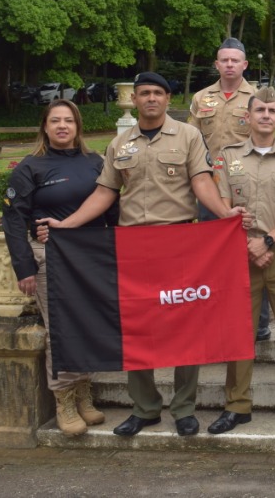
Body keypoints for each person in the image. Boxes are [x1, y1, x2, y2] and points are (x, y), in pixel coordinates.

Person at [38, 72, 240, 438]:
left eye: (157, 93)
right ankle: (144, 408)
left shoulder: (189, 135)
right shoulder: (120, 143)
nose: (150, 99)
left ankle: (183, 409)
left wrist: (225, 215)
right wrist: (66, 226)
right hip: (133, 247)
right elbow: (105, 193)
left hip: (179, 240)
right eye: (144, 93)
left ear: (166, 98)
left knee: (185, 327)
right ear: (135, 100)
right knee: (138, 326)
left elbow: (200, 181)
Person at [2, 99, 115, 438]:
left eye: (69, 120)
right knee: (62, 328)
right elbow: (13, 219)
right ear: (45, 127)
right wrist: (23, 267)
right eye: (55, 121)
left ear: (78, 126)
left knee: (89, 323)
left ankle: (83, 393)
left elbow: (111, 208)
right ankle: (63, 399)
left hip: (91, 257)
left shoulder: (96, 162)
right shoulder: (30, 168)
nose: (62, 126)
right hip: (50, 256)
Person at [207, 87, 275, 436]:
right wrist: (246, 241)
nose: (266, 115)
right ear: (248, 116)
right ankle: (237, 405)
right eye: (260, 110)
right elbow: (222, 204)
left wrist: (266, 240)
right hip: (238, 252)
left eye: (272, 110)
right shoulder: (227, 155)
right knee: (239, 332)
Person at [188, 37, 270, 338]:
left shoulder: (257, 97)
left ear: (245, 64)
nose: (230, 65)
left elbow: (268, 134)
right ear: (216, 64)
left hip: (248, 183)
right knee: (214, 255)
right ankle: (218, 319)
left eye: (236, 60)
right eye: (224, 60)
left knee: (252, 251)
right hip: (211, 186)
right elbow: (192, 142)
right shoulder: (201, 99)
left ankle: (259, 325)